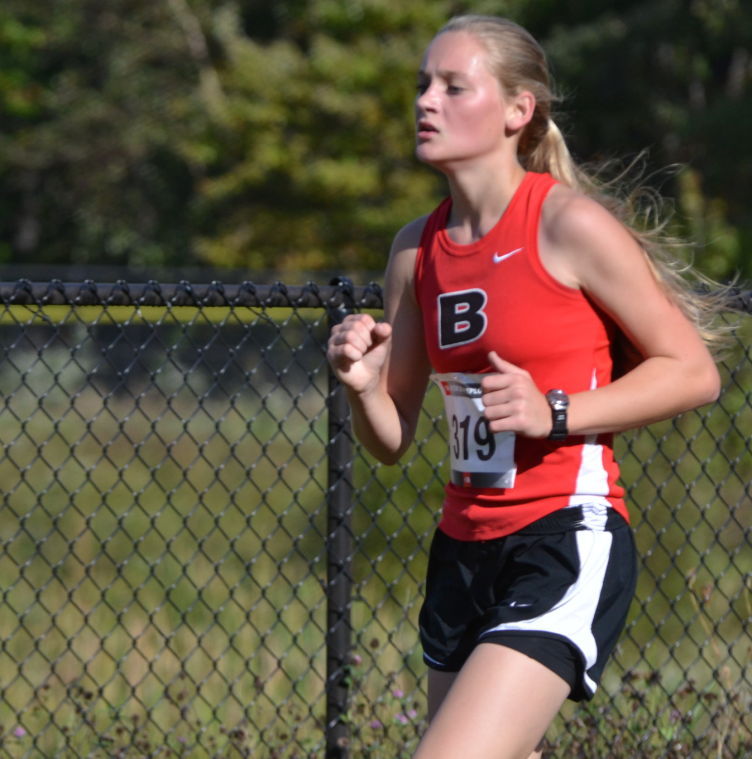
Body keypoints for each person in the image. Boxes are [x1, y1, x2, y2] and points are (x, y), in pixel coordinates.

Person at [326, 14, 722, 759]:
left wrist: (556, 411)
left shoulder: (566, 224)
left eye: (452, 86)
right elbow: (392, 437)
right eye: (422, 85)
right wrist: (359, 384)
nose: (426, 102)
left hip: (563, 537)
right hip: (462, 548)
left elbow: (694, 372)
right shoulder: (416, 249)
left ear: (518, 110)